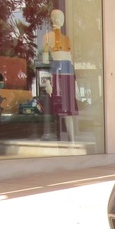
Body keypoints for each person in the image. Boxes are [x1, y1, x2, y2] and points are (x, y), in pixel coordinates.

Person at [42, 9, 78, 140]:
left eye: (61, 16)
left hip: (67, 73)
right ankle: (55, 137)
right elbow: (45, 62)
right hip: (56, 73)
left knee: (69, 110)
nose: (59, 19)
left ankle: (72, 139)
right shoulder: (47, 37)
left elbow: (70, 60)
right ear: (52, 19)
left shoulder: (66, 39)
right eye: (56, 16)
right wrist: (48, 81)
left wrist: (75, 83)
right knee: (56, 108)